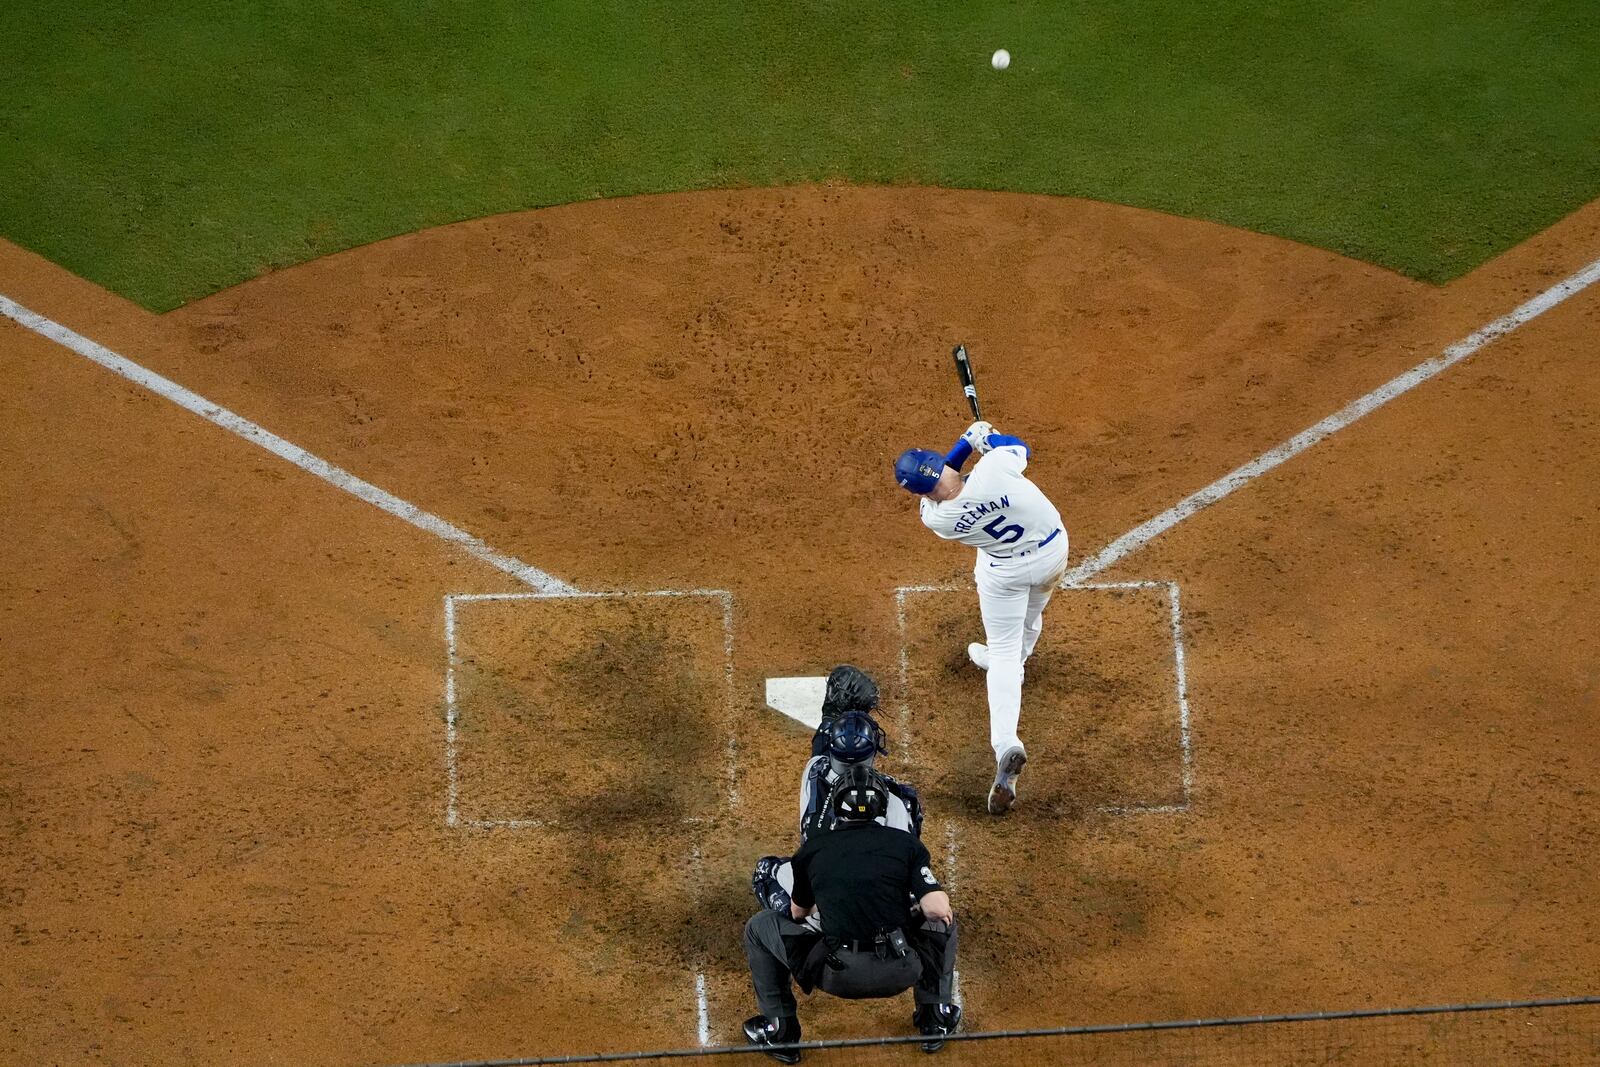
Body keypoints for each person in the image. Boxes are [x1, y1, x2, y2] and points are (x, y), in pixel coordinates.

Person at [894, 420, 1069, 815]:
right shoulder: (995, 469)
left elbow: (945, 482)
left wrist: (966, 445)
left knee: (1004, 652)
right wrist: (982, 438)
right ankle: (1013, 657)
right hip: (1051, 556)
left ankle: (1007, 743)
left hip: (1003, 573)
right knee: (1031, 615)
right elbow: (1018, 447)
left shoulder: (935, 519)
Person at [742, 767, 962, 1062]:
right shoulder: (906, 845)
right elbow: (936, 908)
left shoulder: (814, 849)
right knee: (942, 923)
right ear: (882, 806)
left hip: (835, 974)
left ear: (836, 808)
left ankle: (780, 1030)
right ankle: (935, 1016)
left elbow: (797, 912)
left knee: (758, 928)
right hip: (901, 969)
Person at [751, 665, 924, 924]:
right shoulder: (897, 801)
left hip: (825, 910)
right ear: (873, 754)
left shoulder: (814, 774)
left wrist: (831, 714)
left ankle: (799, 927)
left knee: (765, 871)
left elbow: (821, 749)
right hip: (883, 913)